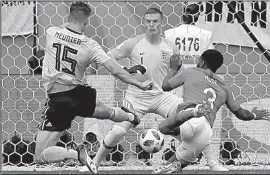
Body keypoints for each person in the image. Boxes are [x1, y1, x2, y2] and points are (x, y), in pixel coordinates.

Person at [34, 2, 153, 174]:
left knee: (40, 155)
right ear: (86, 22)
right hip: (79, 93)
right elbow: (114, 69)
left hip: (59, 99)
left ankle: (77, 154)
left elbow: (65, 26)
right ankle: (130, 115)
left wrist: (68, 23)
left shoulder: (51, 32)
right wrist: (138, 83)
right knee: (105, 111)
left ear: (69, 17)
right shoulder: (90, 45)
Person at [91, 7, 187, 173]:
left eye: (155, 21)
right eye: (148, 21)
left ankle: (199, 161)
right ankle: (94, 163)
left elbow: (176, 72)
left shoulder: (171, 47)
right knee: (117, 132)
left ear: (162, 23)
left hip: (162, 96)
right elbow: (107, 57)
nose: (151, 25)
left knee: (190, 120)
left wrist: (175, 72)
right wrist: (126, 69)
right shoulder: (133, 43)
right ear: (144, 22)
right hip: (136, 98)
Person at [154, 49, 270, 173]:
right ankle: (210, 163)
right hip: (205, 132)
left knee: (163, 128)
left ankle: (193, 112)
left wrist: (173, 69)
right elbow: (241, 113)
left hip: (191, 120)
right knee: (166, 170)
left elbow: (165, 86)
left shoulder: (192, 72)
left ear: (202, 63)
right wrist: (253, 115)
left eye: (198, 61)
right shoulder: (224, 87)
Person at [164, 2, 227, 171]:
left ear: (182, 13)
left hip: (176, 81)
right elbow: (210, 63)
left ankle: (172, 159)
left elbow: (165, 59)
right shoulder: (205, 34)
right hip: (196, 84)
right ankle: (208, 161)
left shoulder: (169, 34)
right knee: (200, 125)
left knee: (181, 125)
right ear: (198, 16)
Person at [164, 2, 214, 66]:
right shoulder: (205, 35)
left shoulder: (170, 34)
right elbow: (211, 58)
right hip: (196, 72)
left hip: (176, 73)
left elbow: (164, 58)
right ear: (197, 15)